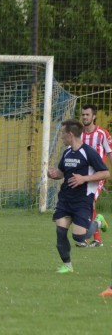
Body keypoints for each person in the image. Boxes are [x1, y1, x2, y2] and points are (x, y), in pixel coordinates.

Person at [47, 119, 109, 273]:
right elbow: (62, 172)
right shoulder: (67, 152)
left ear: (70, 134)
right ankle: (67, 265)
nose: (61, 136)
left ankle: (98, 222)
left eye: (62, 133)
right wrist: (54, 174)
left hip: (82, 200)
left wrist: (84, 179)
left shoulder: (88, 152)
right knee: (60, 232)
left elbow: (106, 173)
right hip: (65, 199)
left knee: (79, 238)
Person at [80, 104, 112, 247]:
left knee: (89, 202)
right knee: (83, 204)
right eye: (83, 114)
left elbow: (110, 153)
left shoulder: (102, 133)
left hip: (98, 174)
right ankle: (98, 228)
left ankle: (88, 238)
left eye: (87, 114)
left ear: (93, 117)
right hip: (83, 175)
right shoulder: (78, 134)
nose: (85, 117)